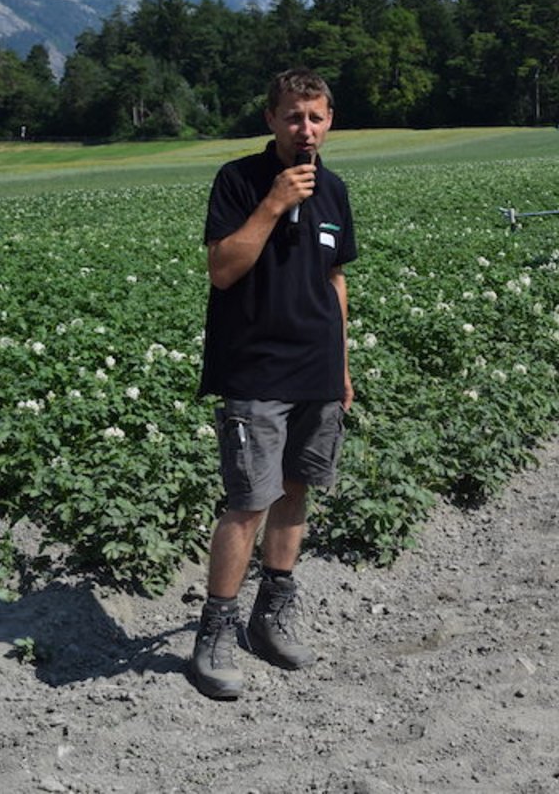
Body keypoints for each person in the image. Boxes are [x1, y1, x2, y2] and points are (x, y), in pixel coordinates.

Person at [189, 68, 356, 699]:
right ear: (271, 119)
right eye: (293, 116)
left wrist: (340, 365)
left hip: (316, 366)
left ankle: (271, 613)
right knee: (248, 500)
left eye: (315, 117)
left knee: (294, 491)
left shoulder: (336, 191)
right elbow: (223, 270)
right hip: (255, 367)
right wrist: (274, 203)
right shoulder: (239, 181)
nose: (304, 128)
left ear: (329, 121)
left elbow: (336, 279)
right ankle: (216, 630)